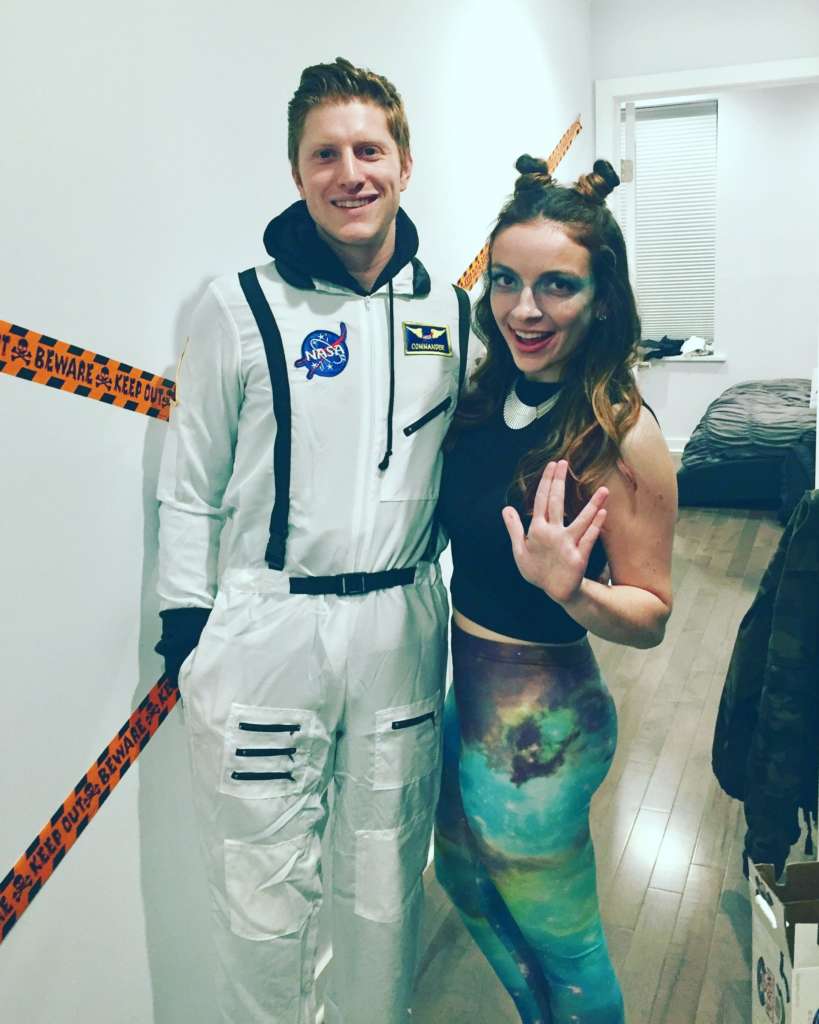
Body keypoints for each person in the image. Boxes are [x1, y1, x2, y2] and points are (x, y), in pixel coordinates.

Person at [155, 57, 471, 1024]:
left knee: (384, 886)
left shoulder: (453, 314)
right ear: (295, 172)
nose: (349, 173)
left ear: (405, 164)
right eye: (324, 154)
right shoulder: (236, 305)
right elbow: (190, 482)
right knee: (260, 901)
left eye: (368, 150)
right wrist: (186, 628)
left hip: (401, 630)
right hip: (269, 632)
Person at [435, 155, 677, 1024]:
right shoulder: (485, 396)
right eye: (505, 281)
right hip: (469, 701)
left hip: (542, 728)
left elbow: (651, 613)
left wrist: (575, 593)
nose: (523, 309)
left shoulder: (622, 432)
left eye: (556, 286)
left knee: (566, 947)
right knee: (464, 883)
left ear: (601, 299)